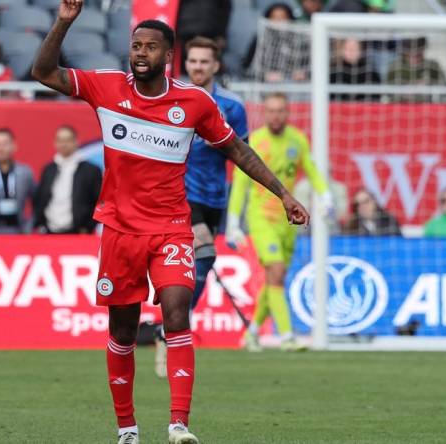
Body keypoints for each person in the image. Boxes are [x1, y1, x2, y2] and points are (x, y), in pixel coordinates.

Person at [31, 8, 309, 444]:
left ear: (169, 55)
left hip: (172, 228)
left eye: (150, 47)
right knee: (121, 331)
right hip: (120, 231)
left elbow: (237, 150)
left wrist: (283, 193)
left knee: (178, 311)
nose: (140, 54)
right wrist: (64, 21)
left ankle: (179, 424)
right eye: (136, 46)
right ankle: (127, 429)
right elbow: (43, 71)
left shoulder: (195, 102)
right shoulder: (106, 87)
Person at [152, 36, 250, 379]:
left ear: (215, 66)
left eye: (204, 62)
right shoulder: (171, 98)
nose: (197, 67)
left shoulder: (233, 106)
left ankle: (170, 324)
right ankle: (173, 328)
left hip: (214, 198)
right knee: (202, 247)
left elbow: (243, 154)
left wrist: (220, 142)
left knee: (203, 262)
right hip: (178, 193)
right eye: (192, 61)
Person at [227, 92, 329, 353]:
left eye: (280, 110)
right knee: (276, 270)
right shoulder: (256, 141)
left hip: (288, 222)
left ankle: (251, 333)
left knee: (276, 277)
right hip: (261, 218)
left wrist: (324, 195)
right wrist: (233, 221)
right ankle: (286, 335)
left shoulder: (297, 140)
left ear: (287, 113)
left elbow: (311, 168)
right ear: (265, 112)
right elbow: (240, 185)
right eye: (270, 110)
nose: (275, 115)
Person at [33, 125, 102, 234]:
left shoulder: (90, 170)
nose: (64, 144)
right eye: (60, 140)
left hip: (79, 233)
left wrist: (88, 227)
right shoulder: (49, 169)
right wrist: (41, 223)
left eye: (68, 140)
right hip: (50, 232)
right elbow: (40, 198)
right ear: (55, 143)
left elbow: (99, 202)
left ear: (76, 141)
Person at [386, 37, 446, 103]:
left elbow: (445, 90)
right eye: (409, 49)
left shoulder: (432, 65)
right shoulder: (394, 66)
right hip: (400, 108)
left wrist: (427, 87)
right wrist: (404, 91)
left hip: (425, 107)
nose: (414, 53)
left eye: (418, 50)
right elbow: (387, 92)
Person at [241, 3, 295, 76]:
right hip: (265, 83)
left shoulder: (298, 40)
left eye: (283, 17)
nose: (279, 21)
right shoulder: (260, 38)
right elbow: (247, 67)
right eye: (275, 17)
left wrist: (301, 73)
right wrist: (265, 75)